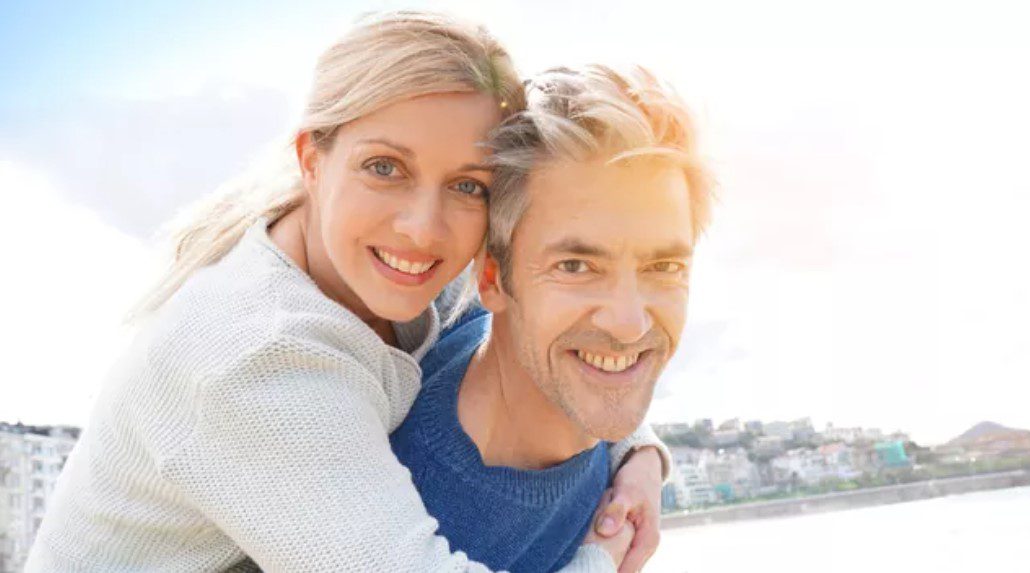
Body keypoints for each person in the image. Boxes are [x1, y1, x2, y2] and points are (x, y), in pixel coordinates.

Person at [25, 12, 667, 572]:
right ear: (312, 158)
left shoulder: (389, 265)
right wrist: (604, 553)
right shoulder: (257, 362)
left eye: (467, 184)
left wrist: (637, 451)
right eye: (385, 168)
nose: (423, 229)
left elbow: (545, 333)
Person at [390, 64, 713, 572]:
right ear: (492, 278)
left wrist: (643, 454)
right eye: (576, 266)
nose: (629, 324)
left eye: (664, 267)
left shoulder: (608, 463)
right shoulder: (386, 510)